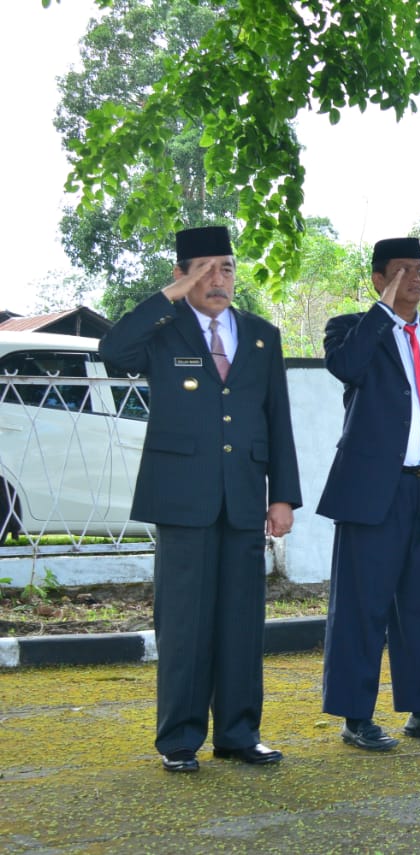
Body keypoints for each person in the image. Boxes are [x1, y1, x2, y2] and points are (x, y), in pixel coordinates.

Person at [98, 225, 301, 773]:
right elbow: (113, 350)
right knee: (184, 623)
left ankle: (238, 733)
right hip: (182, 498)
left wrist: (282, 496)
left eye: (226, 268)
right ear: (181, 275)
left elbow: (276, 418)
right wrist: (169, 296)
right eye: (204, 269)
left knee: (241, 622)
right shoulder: (164, 331)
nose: (218, 279)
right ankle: (179, 740)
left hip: (242, 498)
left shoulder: (260, 334)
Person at [317, 237, 420, 751]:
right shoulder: (351, 330)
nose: (416, 279)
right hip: (372, 492)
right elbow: (347, 368)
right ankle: (355, 715)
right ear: (379, 279)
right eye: (403, 271)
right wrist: (382, 312)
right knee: (363, 607)